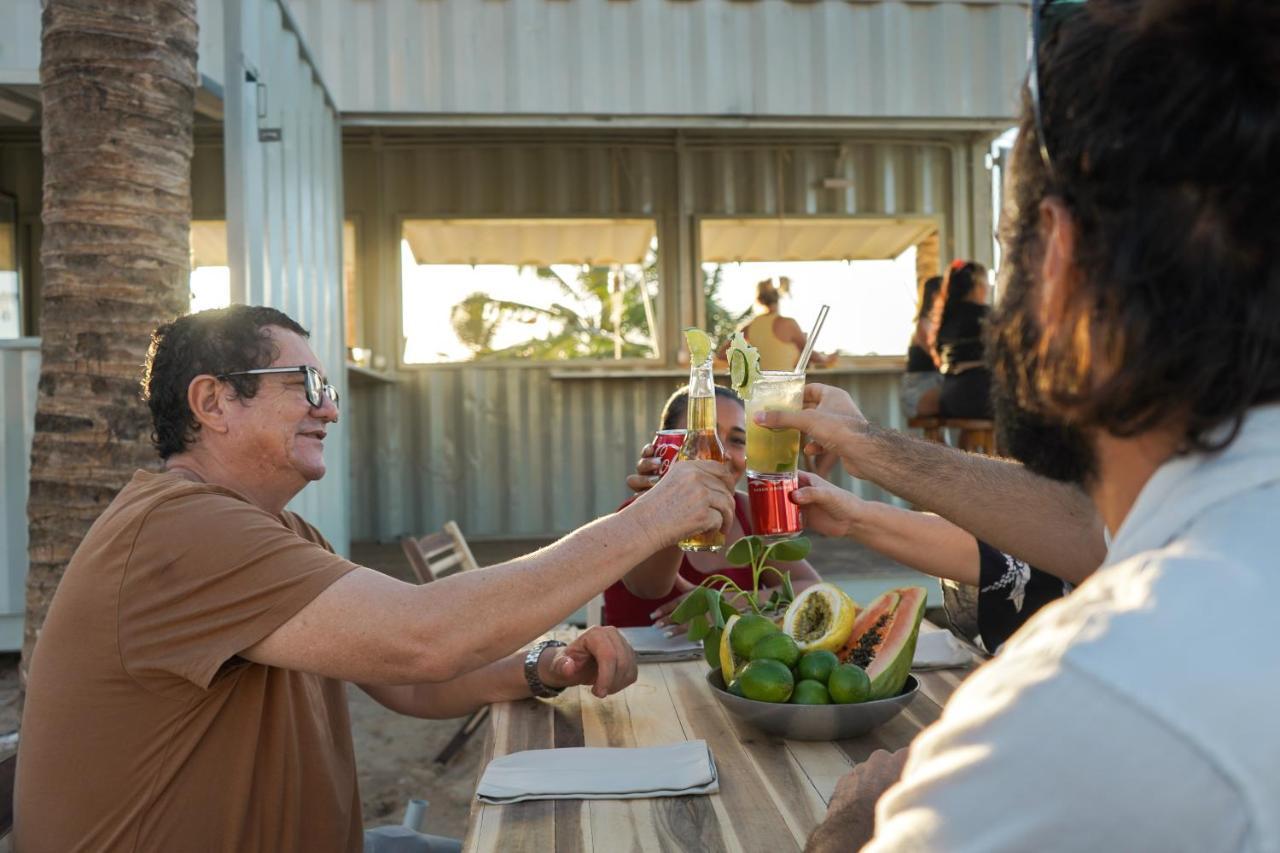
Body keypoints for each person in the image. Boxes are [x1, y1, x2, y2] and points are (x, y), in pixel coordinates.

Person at [771, 1, 1280, 848]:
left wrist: (861, 823)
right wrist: (868, 453)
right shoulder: (1233, 534)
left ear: (1061, 256)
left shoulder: (1075, 709)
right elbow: (1093, 532)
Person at [13, 305, 738, 852]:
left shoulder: (271, 530)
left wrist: (540, 666)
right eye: (306, 383)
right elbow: (420, 637)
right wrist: (650, 518)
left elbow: (404, 680)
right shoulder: (181, 531)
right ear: (212, 403)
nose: (330, 405)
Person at [605, 384, 820, 628]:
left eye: (737, 440)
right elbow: (649, 587)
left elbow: (812, 589)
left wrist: (728, 604)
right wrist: (671, 504)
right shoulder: (632, 516)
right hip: (640, 665)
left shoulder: (749, 511)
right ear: (666, 445)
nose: (722, 453)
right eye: (702, 436)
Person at [719, 277, 836, 371]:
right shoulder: (788, 324)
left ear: (759, 300)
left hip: (760, 387)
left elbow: (722, 354)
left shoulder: (750, 326)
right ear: (780, 298)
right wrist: (826, 359)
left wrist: (747, 362)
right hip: (785, 387)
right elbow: (809, 354)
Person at [933, 260, 993, 419]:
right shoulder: (987, 315)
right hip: (981, 397)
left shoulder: (945, 317)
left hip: (949, 397)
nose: (988, 287)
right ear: (977, 285)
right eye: (987, 282)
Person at [899, 275, 944, 419]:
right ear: (935, 295)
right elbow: (938, 358)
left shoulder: (939, 325)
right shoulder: (923, 325)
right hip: (919, 392)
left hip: (934, 387)